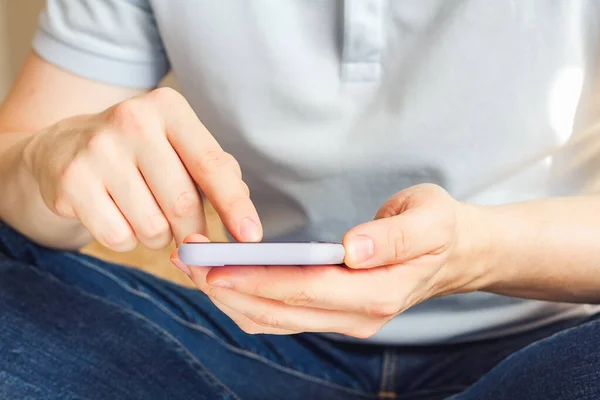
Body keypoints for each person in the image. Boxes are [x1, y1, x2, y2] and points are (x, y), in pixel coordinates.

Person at [1, 1, 600, 399]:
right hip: (243, 341)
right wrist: (45, 158)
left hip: (544, 350)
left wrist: (477, 252)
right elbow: (15, 177)